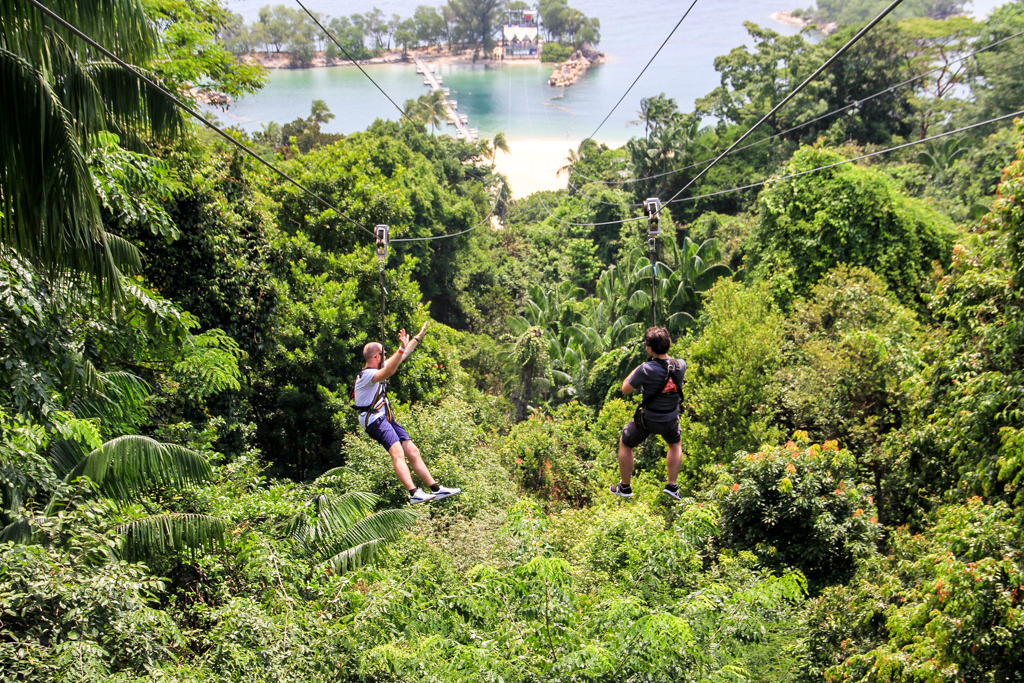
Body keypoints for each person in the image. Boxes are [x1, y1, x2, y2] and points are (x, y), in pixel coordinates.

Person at [352, 321, 461, 504]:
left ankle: (436, 489)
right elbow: (391, 369)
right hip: (374, 420)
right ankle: (413, 493)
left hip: (385, 417)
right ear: (377, 357)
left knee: (412, 451)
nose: (386, 357)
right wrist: (400, 350)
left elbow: (399, 358)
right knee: (397, 452)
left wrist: (417, 338)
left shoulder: (379, 367)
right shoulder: (367, 375)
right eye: (384, 355)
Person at [610, 326, 686, 501]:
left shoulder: (646, 369)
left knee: (625, 442)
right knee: (675, 444)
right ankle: (672, 485)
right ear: (669, 344)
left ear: (650, 349)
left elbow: (625, 389)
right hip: (670, 419)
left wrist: (639, 367)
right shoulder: (681, 365)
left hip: (648, 420)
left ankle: (625, 486)